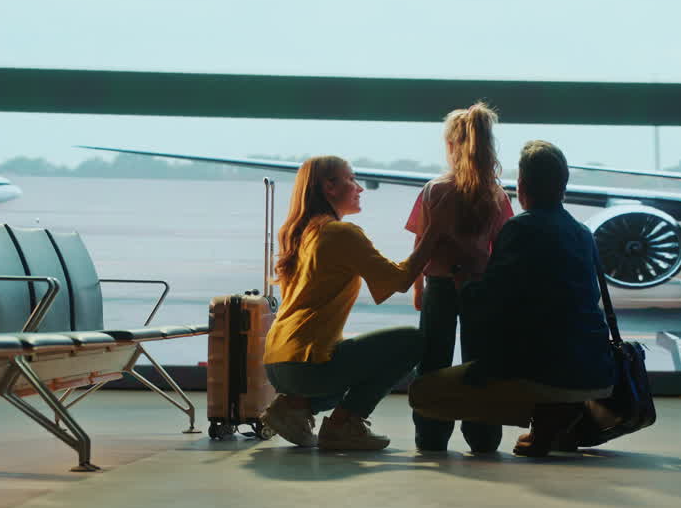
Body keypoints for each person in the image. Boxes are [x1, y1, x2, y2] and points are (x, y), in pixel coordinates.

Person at [408, 140, 616, 457]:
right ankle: (553, 421)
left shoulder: (521, 229)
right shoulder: (582, 233)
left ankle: (545, 417)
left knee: (426, 391)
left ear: (521, 186)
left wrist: (460, 272)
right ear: (563, 186)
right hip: (595, 370)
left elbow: (488, 302)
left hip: (548, 370)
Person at [261, 155, 449, 451]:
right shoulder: (341, 233)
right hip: (306, 366)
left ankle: (294, 405)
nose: (360, 188)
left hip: (278, 362)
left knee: (361, 356)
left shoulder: (306, 232)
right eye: (351, 179)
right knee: (411, 343)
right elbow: (398, 279)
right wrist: (432, 233)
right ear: (330, 187)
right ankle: (343, 424)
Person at [404, 102, 514, 453]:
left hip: (440, 285)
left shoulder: (435, 190)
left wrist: (419, 287)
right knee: (480, 362)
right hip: (480, 288)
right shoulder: (496, 195)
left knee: (433, 363)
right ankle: (484, 436)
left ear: (451, 145)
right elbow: (504, 248)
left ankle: (432, 435)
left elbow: (421, 244)